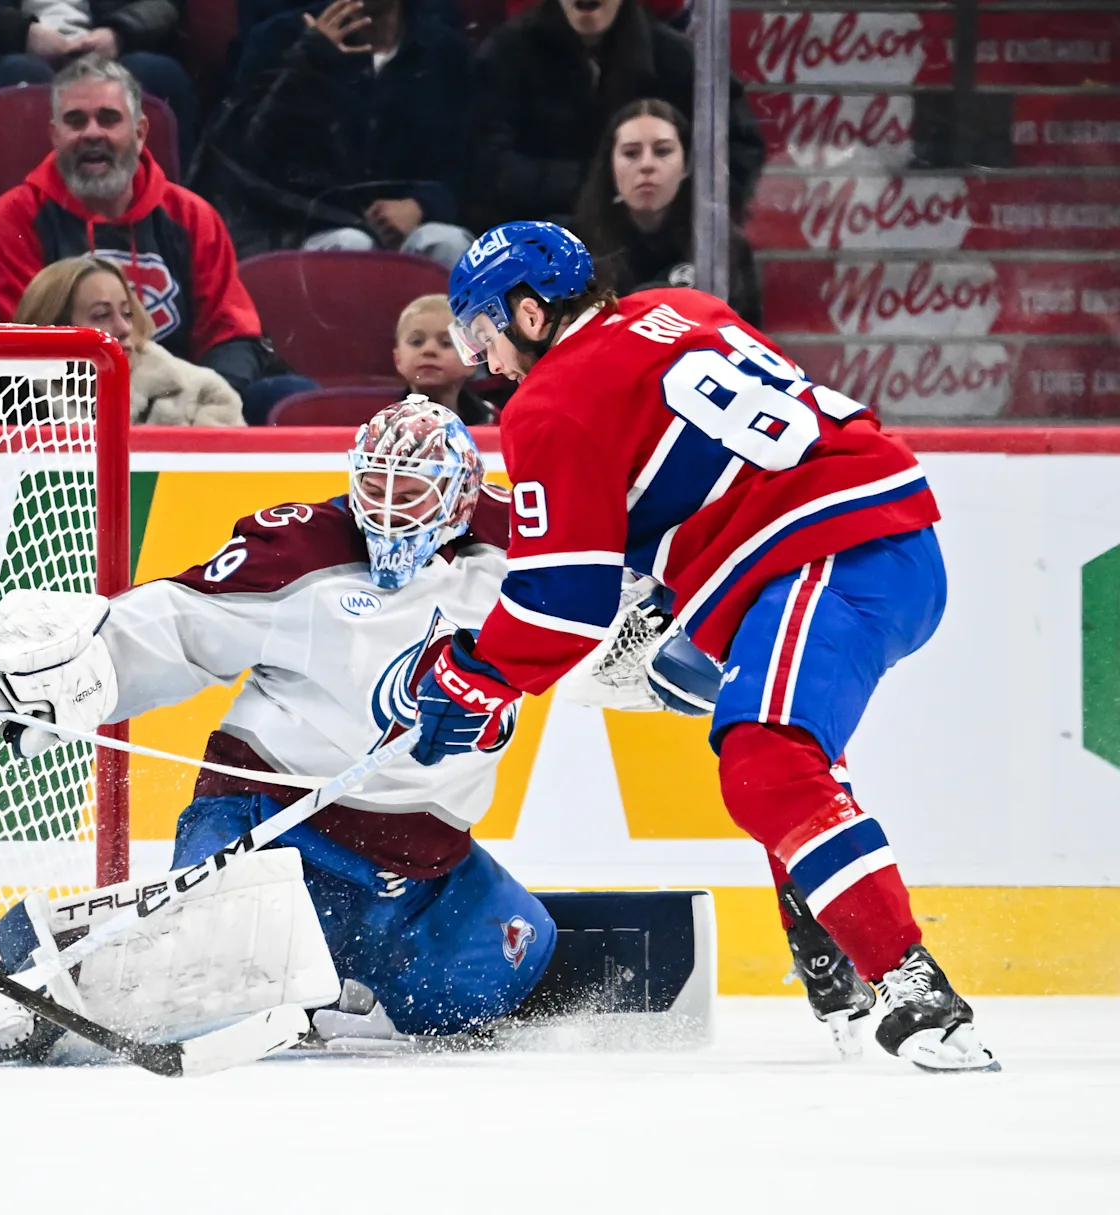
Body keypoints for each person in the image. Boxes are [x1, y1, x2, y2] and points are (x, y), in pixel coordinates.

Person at [415, 221, 999, 1072]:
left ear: (531, 314)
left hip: (826, 554)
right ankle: (835, 964)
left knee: (767, 758)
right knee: (771, 742)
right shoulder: (678, 307)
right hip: (873, 536)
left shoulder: (551, 401)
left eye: (482, 333)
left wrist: (473, 678)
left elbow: (560, 602)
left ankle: (915, 987)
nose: (484, 361)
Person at [0, 398, 550, 1057]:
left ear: (460, 499)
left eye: (412, 492)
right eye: (372, 485)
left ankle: (334, 986)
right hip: (274, 827)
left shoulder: (527, 552)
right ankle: (40, 971)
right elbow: (179, 620)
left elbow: (612, 598)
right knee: (200, 972)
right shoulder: (306, 548)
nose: (388, 511)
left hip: (423, 866)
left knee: (502, 973)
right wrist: (66, 679)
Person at [0, 56, 313, 423]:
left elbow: (229, 333)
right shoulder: (15, 216)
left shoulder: (192, 215)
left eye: (109, 119)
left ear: (140, 132)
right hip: (69, 405)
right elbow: (30, 339)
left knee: (289, 395)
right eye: (76, 121)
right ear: (55, 135)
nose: (92, 133)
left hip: (184, 399)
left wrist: (194, 403)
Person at [206, 0, 474, 263]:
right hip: (311, 225)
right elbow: (245, 155)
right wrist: (309, 62)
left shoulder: (445, 52)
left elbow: (465, 159)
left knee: (447, 243)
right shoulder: (278, 39)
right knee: (352, 246)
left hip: (411, 222)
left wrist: (422, 204)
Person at [469, 0, 761, 229]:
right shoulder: (505, 54)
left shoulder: (677, 58)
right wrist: (595, 185)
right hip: (538, 242)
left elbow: (738, 149)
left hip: (654, 243)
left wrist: (669, 199)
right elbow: (483, 163)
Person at [574, 98, 761, 325]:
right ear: (610, 166)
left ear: (686, 166)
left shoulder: (722, 246)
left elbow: (747, 339)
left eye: (662, 151)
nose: (646, 165)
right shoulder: (578, 246)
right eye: (631, 153)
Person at [0, 1, 202, 141]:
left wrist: (118, 33)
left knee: (158, 74)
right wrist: (22, 34)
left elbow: (164, 5)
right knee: (24, 76)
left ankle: (168, 222)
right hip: (4, 52)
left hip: (111, 48)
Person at [15, 256, 243, 425]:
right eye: (102, 315)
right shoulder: (11, 405)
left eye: (127, 313)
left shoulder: (202, 395)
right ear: (55, 330)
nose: (124, 329)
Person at [392, 294, 494, 425]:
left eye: (446, 343)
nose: (429, 350)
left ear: (472, 359)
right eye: (416, 342)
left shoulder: (494, 420)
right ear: (398, 359)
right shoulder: (383, 427)